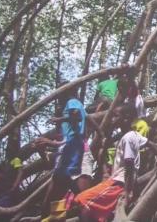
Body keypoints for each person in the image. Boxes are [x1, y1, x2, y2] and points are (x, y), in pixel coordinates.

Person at [73, 118, 157, 222]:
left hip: (118, 184)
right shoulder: (136, 136)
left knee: (83, 199)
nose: (115, 123)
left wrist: (126, 192)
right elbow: (151, 144)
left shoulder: (128, 138)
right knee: (98, 212)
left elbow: (129, 164)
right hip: (118, 182)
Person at [41, 84, 88, 219]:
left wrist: (59, 119)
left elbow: (77, 117)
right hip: (72, 145)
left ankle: (87, 207)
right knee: (63, 183)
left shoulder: (72, 102)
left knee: (61, 183)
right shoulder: (76, 103)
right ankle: (56, 216)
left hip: (72, 145)